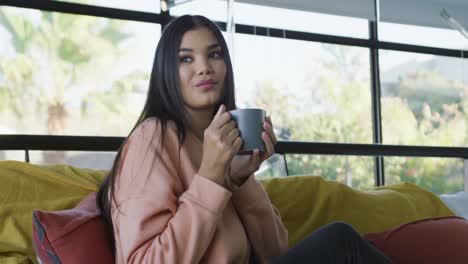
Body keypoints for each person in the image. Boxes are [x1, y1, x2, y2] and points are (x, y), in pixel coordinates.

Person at [96, 15, 391, 264]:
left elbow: (275, 253)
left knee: (340, 243)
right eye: (186, 58)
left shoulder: (217, 144)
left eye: (214, 54)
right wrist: (210, 177)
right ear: (165, 72)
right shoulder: (152, 138)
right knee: (340, 241)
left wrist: (239, 181)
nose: (204, 68)